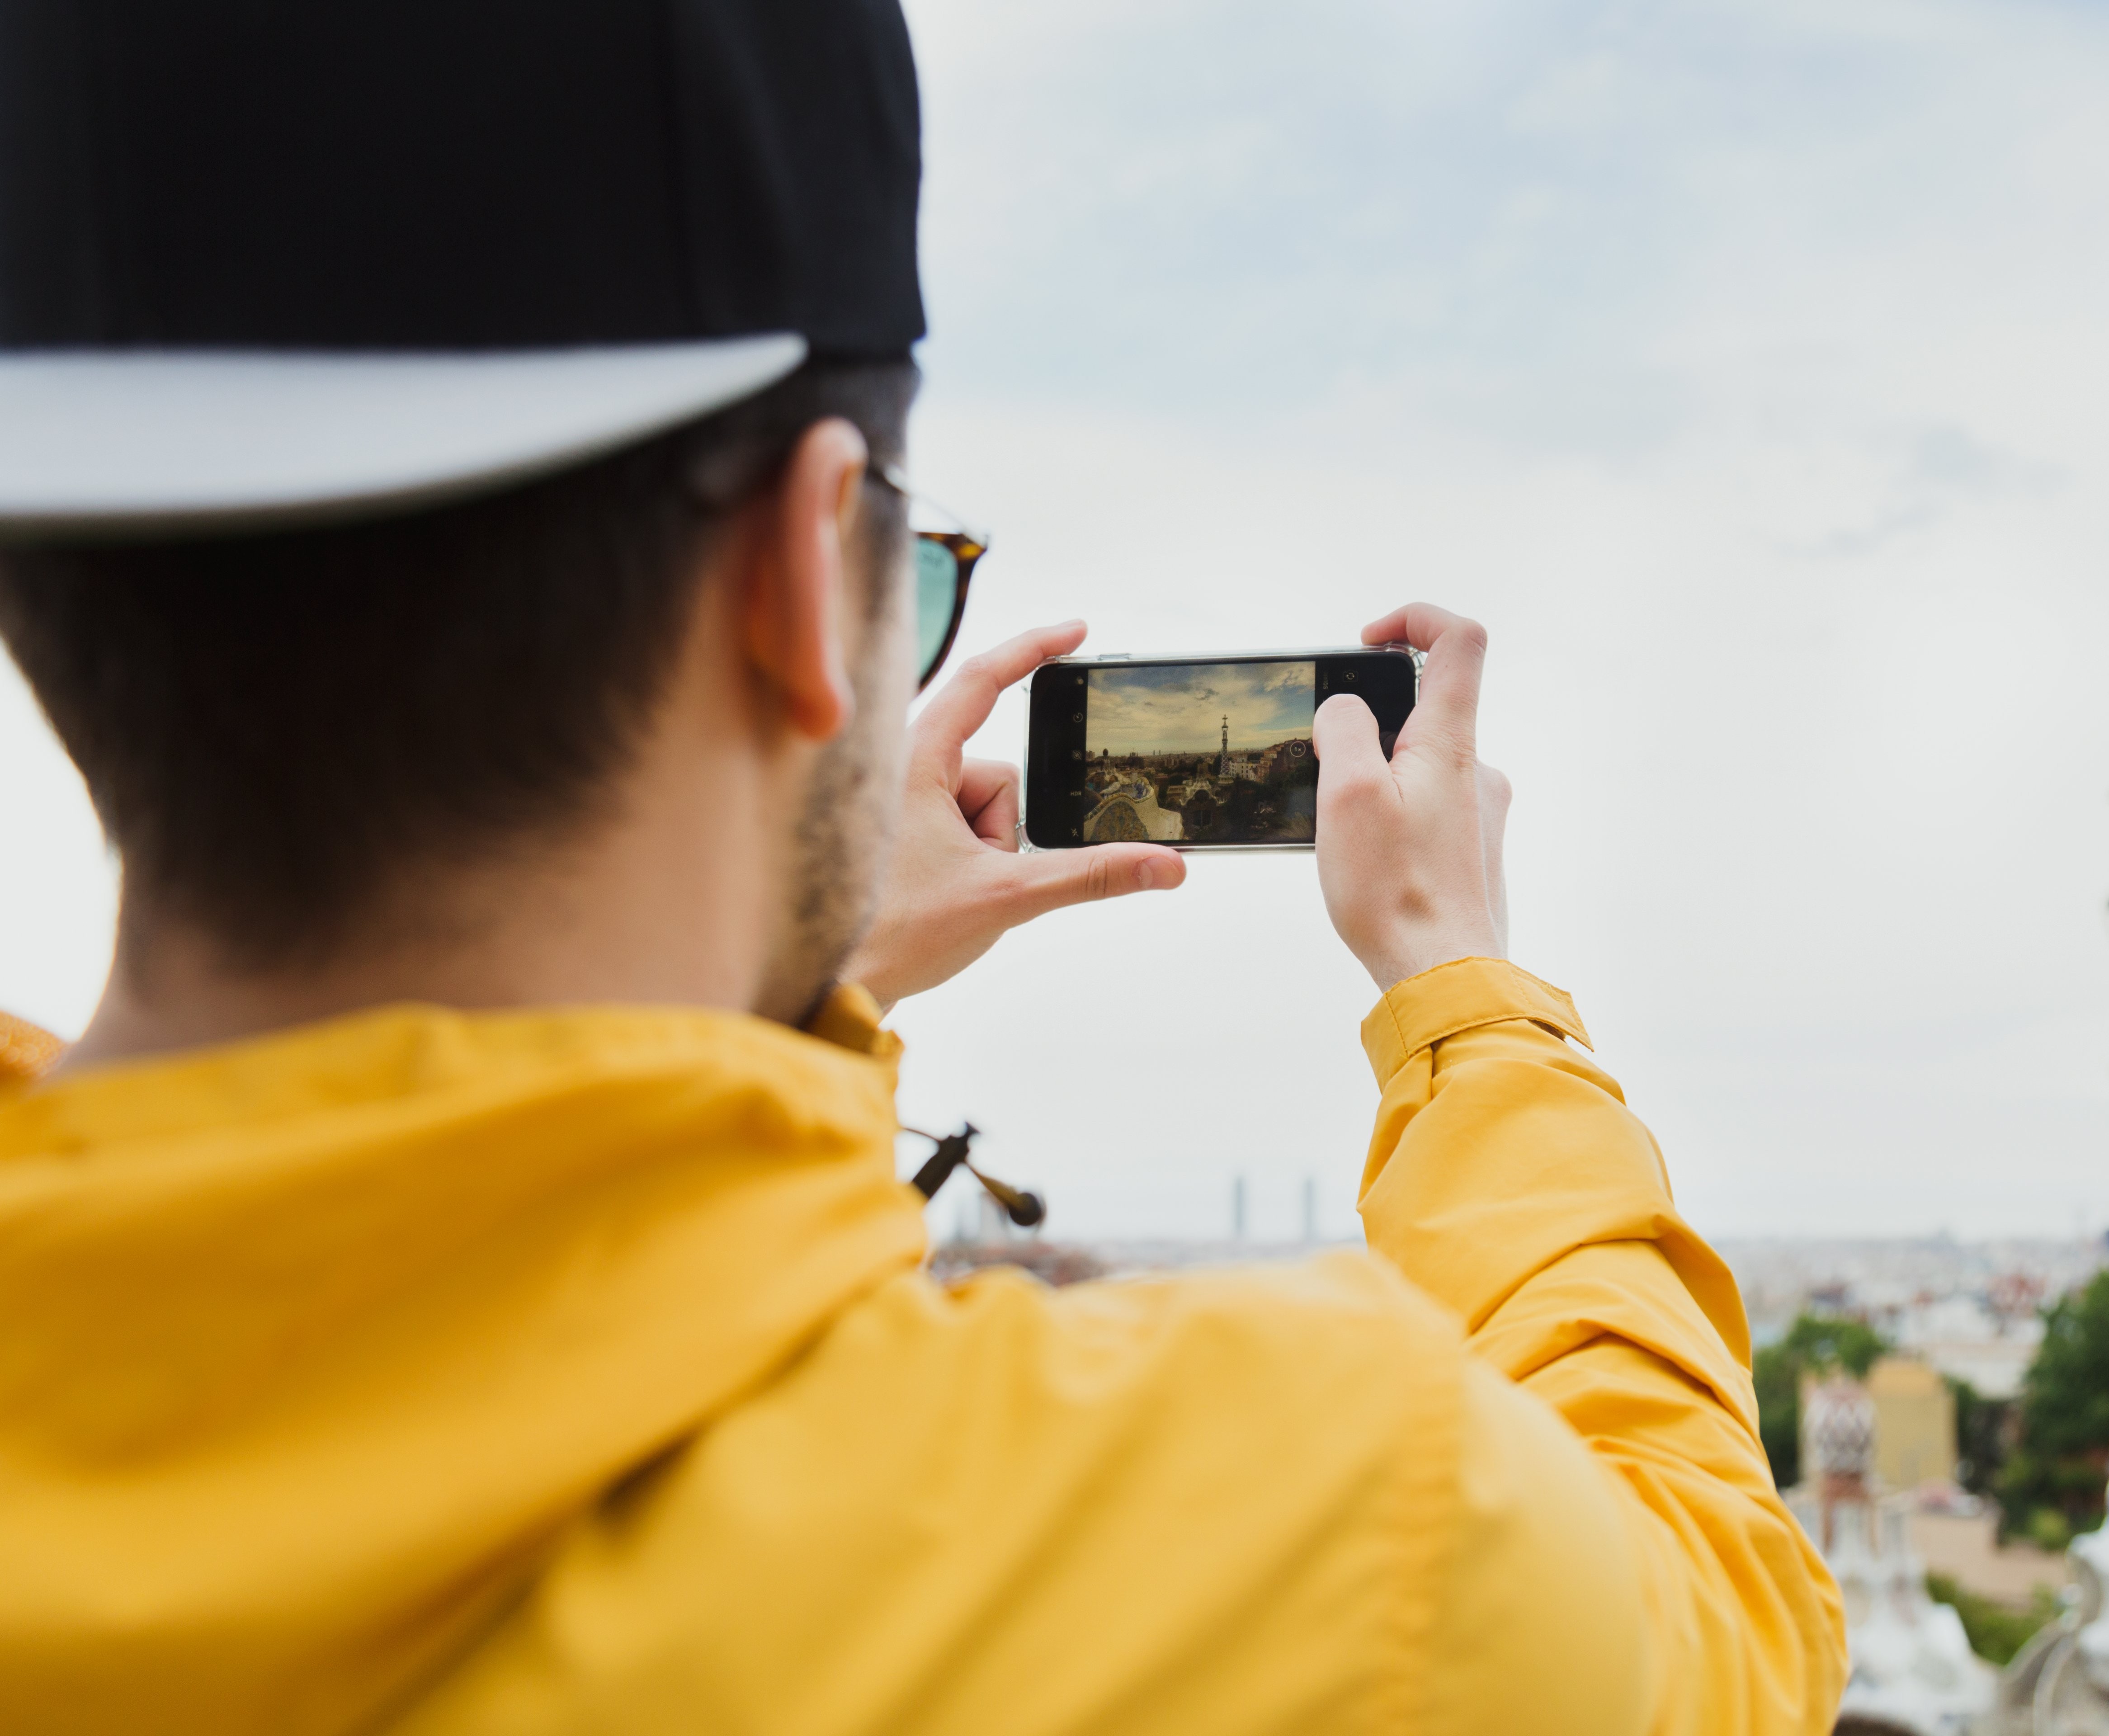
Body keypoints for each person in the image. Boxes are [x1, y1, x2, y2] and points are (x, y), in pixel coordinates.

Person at [0, 1, 1846, 1731]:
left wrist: (804, 975)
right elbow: (1719, 1613)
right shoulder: (1317, 1546)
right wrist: (1464, 996)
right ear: (813, 573)